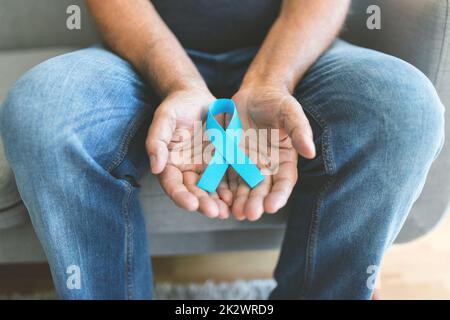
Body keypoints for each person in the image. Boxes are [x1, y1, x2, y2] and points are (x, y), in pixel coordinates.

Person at [0, 0, 444, 299]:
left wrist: (270, 82)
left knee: (404, 106)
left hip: (294, 56)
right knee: (43, 105)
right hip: (142, 57)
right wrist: (181, 83)